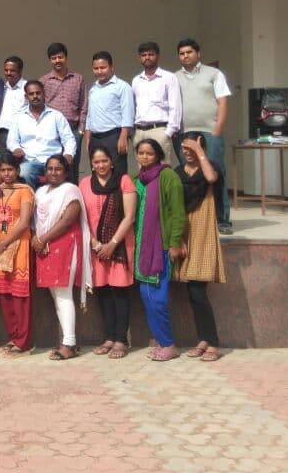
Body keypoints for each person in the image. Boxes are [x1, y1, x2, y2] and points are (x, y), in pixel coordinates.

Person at [79, 146, 137, 360]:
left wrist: (112, 243)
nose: (101, 165)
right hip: (95, 248)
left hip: (120, 246)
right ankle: (109, 337)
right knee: (103, 291)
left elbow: (129, 216)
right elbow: (82, 218)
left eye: (104, 161)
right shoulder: (84, 184)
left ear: (112, 162)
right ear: (92, 165)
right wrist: (95, 243)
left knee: (119, 292)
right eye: (96, 162)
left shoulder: (124, 181)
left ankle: (121, 339)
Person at [32, 155, 92, 361]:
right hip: (45, 246)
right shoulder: (40, 192)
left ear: (66, 172)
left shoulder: (70, 190)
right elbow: (35, 221)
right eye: (50, 168)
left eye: (58, 169)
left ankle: (69, 343)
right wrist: (38, 239)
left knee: (64, 294)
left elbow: (67, 221)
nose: (53, 172)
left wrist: (43, 239)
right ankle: (67, 341)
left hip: (64, 243)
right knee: (56, 295)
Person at [174, 134, 226, 362]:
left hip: (203, 230)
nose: (187, 152)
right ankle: (204, 340)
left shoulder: (210, 168)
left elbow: (211, 178)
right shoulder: (178, 173)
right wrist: (178, 238)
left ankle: (212, 342)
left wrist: (199, 150)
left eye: (192, 148)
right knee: (193, 292)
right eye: (184, 148)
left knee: (197, 290)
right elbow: (175, 206)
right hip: (185, 231)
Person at [133, 138, 186, 362]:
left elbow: (177, 213)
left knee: (158, 298)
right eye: (141, 153)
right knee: (146, 297)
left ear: (158, 156)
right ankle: (161, 341)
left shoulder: (168, 177)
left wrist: (174, 243)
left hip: (160, 247)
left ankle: (169, 344)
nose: (144, 157)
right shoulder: (136, 179)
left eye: (149, 153)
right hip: (141, 247)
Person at [176, 39, 233, 234]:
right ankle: (194, 216)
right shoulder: (174, 78)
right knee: (189, 175)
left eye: (189, 52)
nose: (186, 56)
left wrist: (217, 130)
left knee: (216, 173)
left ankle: (222, 219)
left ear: (198, 54)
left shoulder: (214, 74)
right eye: (182, 53)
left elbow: (223, 103)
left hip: (210, 132)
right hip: (184, 132)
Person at [0, 154, 34, 357]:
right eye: (3, 170)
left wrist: (4, 243)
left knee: (20, 295)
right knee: (5, 294)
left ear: (17, 171)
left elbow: (24, 222)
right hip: (0, 248)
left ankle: (24, 342)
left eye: (10, 169)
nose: (6, 174)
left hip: (19, 245)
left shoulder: (25, 191)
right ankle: (13, 336)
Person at [7, 80, 76, 189]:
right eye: (31, 94)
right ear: (26, 96)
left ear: (44, 94)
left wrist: (68, 154)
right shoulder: (18, 117)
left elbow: (69, 139)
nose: (35, 96)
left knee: (59, 172)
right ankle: (32, 199)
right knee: (24, 172)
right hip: (29, 161)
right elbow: (11, 140)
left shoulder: (56, 116)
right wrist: (15, 148)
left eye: (38, 93)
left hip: (53, 161)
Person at [40, 43, 88, 183]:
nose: (57, 61)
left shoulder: (77, 79)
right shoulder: (44, 81)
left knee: (71, 165)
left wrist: (81, 130)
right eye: (53, 58)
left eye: (60, 57)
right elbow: (40, 106)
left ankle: (72, 193)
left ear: (66, 58)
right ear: (50, 60)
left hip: (73, 130)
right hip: (52, 130)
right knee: (53, 165)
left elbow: (84, 104)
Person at [131, 42, 182, 173]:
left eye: (150, 54)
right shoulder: (136, 80)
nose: (147, 57)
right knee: (143, 171)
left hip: (159, 130)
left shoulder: (169, 77)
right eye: (143, 55)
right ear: (139, 58)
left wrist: (168, 132)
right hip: (139, 132)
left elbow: (175, 106)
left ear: (158, 56)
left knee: (162, 170)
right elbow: (133, 106)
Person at [83, 51, 135, 177]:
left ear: (111, 67)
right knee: (97, 174)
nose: (99, 71)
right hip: (95, 138)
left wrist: (123, 136)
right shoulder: (93, 89)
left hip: (113, 137)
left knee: (117, 173)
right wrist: (88, 138)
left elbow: (128, 113)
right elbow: (90, 115)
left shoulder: (122, 86)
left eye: (103, 67)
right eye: (96, 68)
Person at [0, 56, 28, 154]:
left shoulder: (27, 88)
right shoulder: (2, 88)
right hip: (3, 132)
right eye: (6, 70)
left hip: (21, 133)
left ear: (20, 71)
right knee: (4, 161)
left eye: (12, 70)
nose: (8, 73)